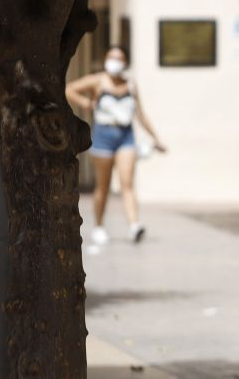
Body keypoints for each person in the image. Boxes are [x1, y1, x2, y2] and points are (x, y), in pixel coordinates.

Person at [66, 46, 166, 244]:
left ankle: (134, 225)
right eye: (111, 57)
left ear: (125, 62)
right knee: (102, 186)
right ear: (105, 59)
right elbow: (69, 89)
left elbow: (141, 114)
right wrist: (86, 104)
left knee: (127, 183)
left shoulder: (130, 84)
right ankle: (99, 226)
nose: (115, 61)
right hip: (103, 135)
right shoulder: (98, 80)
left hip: (126, 135)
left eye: (119, 58)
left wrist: (156, 138)